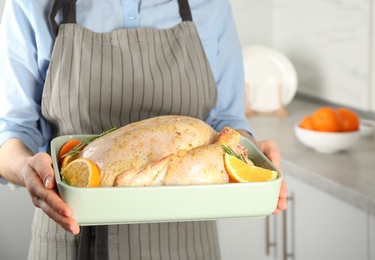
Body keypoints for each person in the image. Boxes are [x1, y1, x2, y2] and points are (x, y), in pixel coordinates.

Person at [0, 0, 287, 259]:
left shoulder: (210, 5)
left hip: (186, 241)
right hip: (72, 235)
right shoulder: (32, 4)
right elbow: (12, 129)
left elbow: (227, 121)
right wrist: (25, 166)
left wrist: (249, 152)